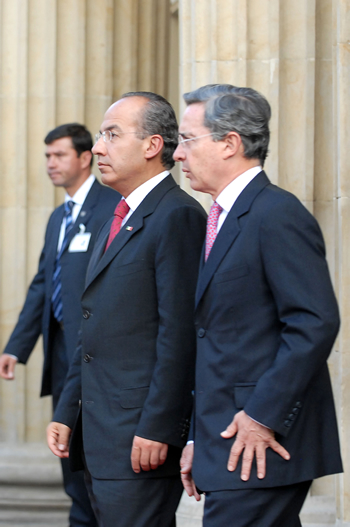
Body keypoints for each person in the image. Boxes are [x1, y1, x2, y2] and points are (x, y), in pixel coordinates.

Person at [174, 84, 343, 527]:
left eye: (187, 140)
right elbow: (216, 340)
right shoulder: (221, 217)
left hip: (259, 443)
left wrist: (262, 418)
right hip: (227, 441)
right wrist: (197, 439)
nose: (177, 154)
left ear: (229, 143)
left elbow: (314, 322)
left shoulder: (276, 213)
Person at [46, 92, 207, 527]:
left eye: (111, 135)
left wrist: (159, 426)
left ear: (153, 146)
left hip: (140, 437)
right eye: (100, 135)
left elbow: (179, 334)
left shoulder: (177, 215)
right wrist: (67, 410)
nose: (98, 147)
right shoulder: (113, 217)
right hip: (99, 435)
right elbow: (90, 325)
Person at [0, 123, 119, 527]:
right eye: (48, 156)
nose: (51, 164)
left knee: (95, 472)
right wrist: (17, 346)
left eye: (59, 155)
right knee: (70, 468)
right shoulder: (58, 218)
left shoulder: (111, 207)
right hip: (62, 358)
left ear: (85, 158)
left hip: (97, 359)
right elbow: (41, 285)